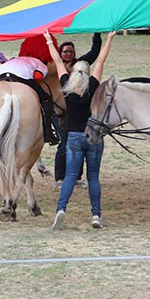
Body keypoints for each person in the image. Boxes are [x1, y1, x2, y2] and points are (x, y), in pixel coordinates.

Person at [46, 30, 117, 231]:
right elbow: (101, 61)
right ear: (87, 73)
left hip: (75, 137)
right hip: (94, 137)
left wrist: (48, 40)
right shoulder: (93, 85)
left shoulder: (67, 87)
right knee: (93, 177)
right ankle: (96, 215)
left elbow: (58, 63)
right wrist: (109, 38)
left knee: (70, 175)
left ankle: (61, 209)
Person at [54, 34, 102, 186]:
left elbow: (95, 53)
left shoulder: (79, 66)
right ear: (60, 53)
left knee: (79, 141)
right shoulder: (54, 69)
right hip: (60, 112)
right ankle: (60, 177)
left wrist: (97, 34)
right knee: (64, 142)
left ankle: (76, 177)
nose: (68, 54)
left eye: (71, 52)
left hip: (78, 113)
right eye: (65, 51)